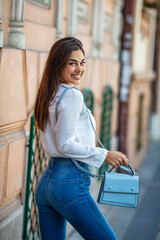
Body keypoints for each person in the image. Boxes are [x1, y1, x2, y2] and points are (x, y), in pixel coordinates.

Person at [34, 37, 129, 240]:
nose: (79, 69)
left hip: (47, 184)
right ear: (57, 64)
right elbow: (65, 144)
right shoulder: (71, 95)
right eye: (72, 63)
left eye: (82, 62)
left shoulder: (49, 93)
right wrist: (105, 154)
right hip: (70, 182)